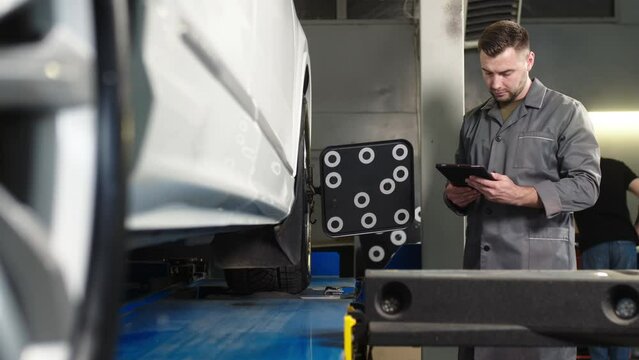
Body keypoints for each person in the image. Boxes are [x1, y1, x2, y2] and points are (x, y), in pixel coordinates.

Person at [443, 20, 601, 360]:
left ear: (529, 61)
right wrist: (454, 196)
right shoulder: (473, 119)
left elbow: (587, 187)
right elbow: (461, 182)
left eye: (506, 73)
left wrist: (523, 195)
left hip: (539, 274)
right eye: (487, 73)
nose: (495, 83)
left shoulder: (566, 113)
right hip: (480, 272)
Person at [574, 157, 639, 360]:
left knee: (596, 307)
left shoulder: (574, 169)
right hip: (624, 242)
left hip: (593, 243)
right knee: (624, 306)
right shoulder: (617, 165)